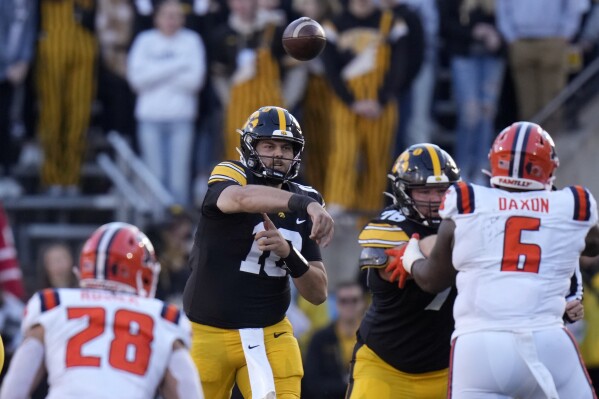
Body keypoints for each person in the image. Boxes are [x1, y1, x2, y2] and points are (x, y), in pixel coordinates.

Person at [392, 122, 599, 398]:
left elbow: (432, 279)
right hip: (547, 340)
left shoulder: (469, 200)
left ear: (495, 162)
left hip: (480, 349)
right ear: (548, 167)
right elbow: (592, 246)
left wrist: (411, 259)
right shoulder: (572, 205)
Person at [182, 105, 334, 399]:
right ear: (251, 147)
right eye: (269, 145)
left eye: (286, 147)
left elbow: (318, 293)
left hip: (268, 332)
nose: (278, 154)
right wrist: (303, 204)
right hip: (206, 331)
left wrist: (289, 253)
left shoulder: (307, 199)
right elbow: (237, 199)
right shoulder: (233, 173)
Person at [0, 222, 204, 399]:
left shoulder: (54, 304)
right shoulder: (164, 318)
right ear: (144, 272)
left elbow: (15, 389)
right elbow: (188, 392)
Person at [347, 143, 461, 398]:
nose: (434, 200)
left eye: (441, 191)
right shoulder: (386, 226)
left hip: (449, 369)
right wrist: (458, 236)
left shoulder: (463, 224)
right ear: (403, 191)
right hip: (385, 367)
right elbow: (402, 256)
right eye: (425, 191)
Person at [127, 0, 206, 206]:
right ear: (157, 17)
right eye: (167, 15)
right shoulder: (144, 41)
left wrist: (155, 71)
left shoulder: (192, 40)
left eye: (176, 15)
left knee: (179, 180)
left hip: (181, 118)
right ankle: (156, 228)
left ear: (182, 18)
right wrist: (178, 65)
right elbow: (136, 80)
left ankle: (178, 230)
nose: (171, 20)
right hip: (149, 118)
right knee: (154, 177)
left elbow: (194, 81)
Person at [303, 281, 367, 399]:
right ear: (336, 304)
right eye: (343, 301)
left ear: (363, 303)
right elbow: (313, 384)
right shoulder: (320, 339)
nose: (349, 305)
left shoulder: (373, 338)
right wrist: (349, 385)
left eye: (354, 300)